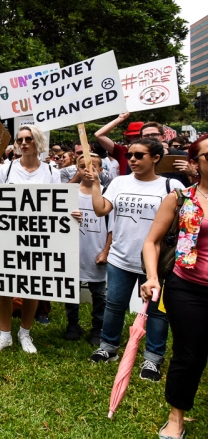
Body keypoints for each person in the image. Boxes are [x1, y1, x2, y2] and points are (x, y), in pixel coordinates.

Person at [85, 137, 183, 382]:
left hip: (157, 263)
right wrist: (95, 184)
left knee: (158, 313)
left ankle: (152, 359)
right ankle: (108, 348)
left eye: (139, 155)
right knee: (114, 305)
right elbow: (101, 210)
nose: (132, 160)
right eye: (130, 155)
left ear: (156, 158)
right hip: (120, 257)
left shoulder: (171, 186)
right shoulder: (119, 182)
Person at [141, 134, 208, 439]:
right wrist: (153, 276)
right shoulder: (180, 198)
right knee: (188, 354)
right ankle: (176, 417)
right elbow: (152, 242)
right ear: (195, 163)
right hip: (188, 287)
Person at [0, 125, 65, 355]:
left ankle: (25, 333)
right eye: (20, 140)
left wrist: (70, 215)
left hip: (38, 237)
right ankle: (4, 335)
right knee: (4, 287)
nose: (23, 143)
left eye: (28, 139)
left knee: (33, 286)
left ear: (38, 141)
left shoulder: (51, 172)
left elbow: (57, 204)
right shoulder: (6, 170)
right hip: (7, 235)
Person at [65, 153, 110, 346]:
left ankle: (98, 328)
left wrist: (105, 252)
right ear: (78, 169)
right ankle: (72, 325)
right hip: (73, 252)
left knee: (99, 294)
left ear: (100, 170)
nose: (87, 170)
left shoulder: (108, 194)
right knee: (70, 292)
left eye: (93, 166)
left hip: (96, 251)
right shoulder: (70, 193)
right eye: (83, 166)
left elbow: (113, 228)